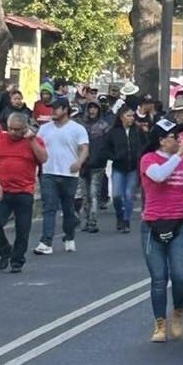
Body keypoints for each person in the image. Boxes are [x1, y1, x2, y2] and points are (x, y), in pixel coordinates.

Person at [140, 120, 183, 342]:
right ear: (161, 140)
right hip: (152, 225)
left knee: (180, 275)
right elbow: (159, 176)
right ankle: (160, 324)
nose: (178, 140)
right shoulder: (148, 159)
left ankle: (177, 312)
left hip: (178, 224)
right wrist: (179, 155)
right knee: (159, 278)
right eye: (173, 137)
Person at [0, 113, 48, 273]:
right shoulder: (0, 139)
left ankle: (17, 260)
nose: (13, 133)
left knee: (23, 229)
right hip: (3, 191)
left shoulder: (33, 141)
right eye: (10, 129)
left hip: (24, 192)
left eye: (17, 129)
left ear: (25, 128)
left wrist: (32, 140)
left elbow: (43, 159)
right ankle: (4, 250)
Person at [34, 98, 89, 255]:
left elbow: (84, 148)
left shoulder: (77, 129)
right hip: (48, 172)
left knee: (68, 208)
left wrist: (79, 162)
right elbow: (37, 147)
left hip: (69, 174)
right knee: (49, 207)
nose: (53, 111)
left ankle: (69, 236)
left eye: (56, 108)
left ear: (65, 109)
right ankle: (46, 242)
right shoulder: (44, 129)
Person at [102, 105, 144, 233]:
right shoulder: (114, 132)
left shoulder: (137, 131)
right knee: (116, 195)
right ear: (121, 117)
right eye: (128, 115)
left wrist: (139, 155)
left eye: (132, 116)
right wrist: (114, 156)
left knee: (129, 195)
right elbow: (105, 148)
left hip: (132, 168)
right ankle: (119, 216)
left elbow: (144, 144)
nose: (131, 118)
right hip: (118, 167)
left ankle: (126, 220)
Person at [76, 100, 112, 234]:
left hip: (98, 164)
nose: (92, 110)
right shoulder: (80, 125)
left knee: (94, 193)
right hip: (83, 163)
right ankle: (87, 219)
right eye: (90, 108)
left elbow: (108, 144)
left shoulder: (103, 126)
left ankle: (93, 221)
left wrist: (103, 157)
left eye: (95, 108)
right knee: (85, 195)